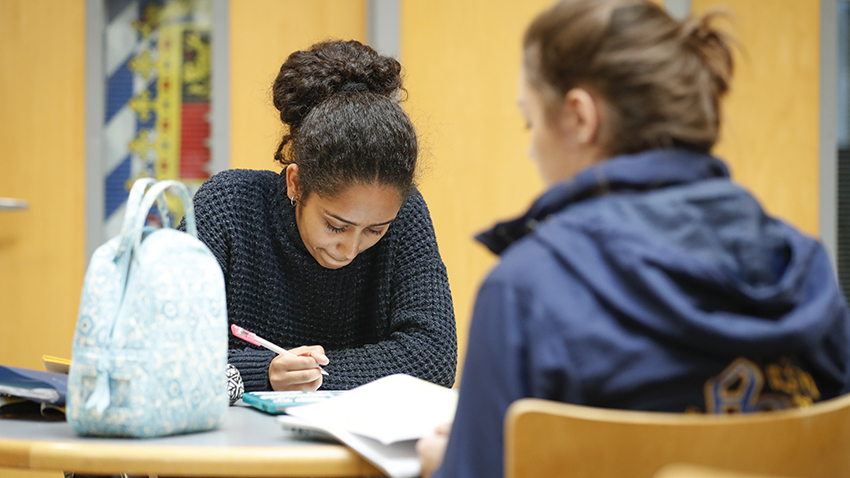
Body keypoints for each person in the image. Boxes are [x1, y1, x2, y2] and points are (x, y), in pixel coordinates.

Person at [417, 1, 850, 477]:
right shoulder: (804, 270)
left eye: (531, 121)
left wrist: (446, 466)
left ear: (581, 118)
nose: (530, 147)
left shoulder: (525, 291)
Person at [187, 40, 457, 395]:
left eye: (375, 230)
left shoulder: (405, 214)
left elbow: (433, 357)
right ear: (296, 183)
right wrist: (265, 372)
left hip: (351, 446)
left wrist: (306, 375)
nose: (349, 248)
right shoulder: (228, 206)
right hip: (230, 445)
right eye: (335, 225)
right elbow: (171, 353)